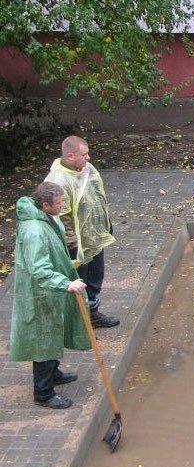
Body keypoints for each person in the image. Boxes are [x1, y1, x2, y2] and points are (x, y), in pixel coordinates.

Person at [10, 182, 91, 409]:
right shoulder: (35, 230)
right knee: (44, 339)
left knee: (54, 331)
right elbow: (39, 269)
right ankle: (43, 392)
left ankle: (53, 373)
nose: (62, 205)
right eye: (59, 203)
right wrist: (65, 283)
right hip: (41, 293)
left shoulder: (45, 218)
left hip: (50, 291)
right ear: (45, 205)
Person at [45, 135, 118, 328]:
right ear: (70, 156)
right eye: (84, 154)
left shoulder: (85, 168)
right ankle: (78, 321)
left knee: (95, 277)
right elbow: (60, 216)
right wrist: (72, 243)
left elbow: (97, 195)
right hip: (76, 243)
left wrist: (105, 223)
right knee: (79, 282)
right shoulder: (58, 181)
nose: (88, 158)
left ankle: (91, 312)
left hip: (93, 236)